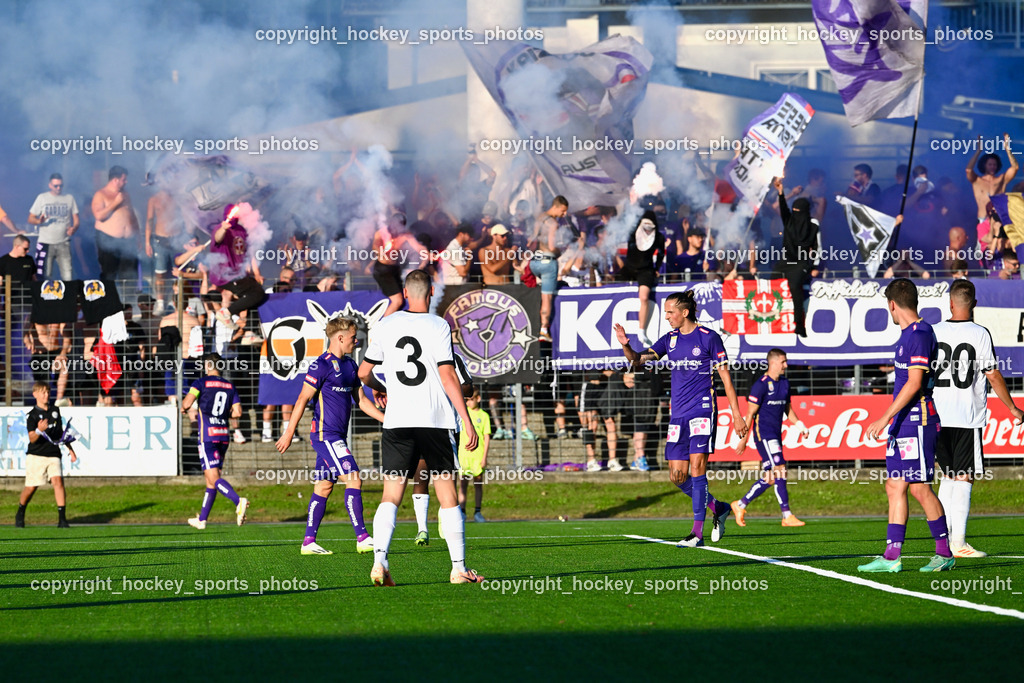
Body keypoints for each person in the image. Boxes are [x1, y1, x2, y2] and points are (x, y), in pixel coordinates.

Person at [357, 269, 483, 586]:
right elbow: (447, 375)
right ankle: (458, 568)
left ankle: (380, 562)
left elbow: (363, 373)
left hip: (397, 422)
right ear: (430, 294)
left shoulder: (386, 324)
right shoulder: (438, 325)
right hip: (435, 421)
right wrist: (467, 420)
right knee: (447, 495)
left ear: (405, 291)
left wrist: (379, 386)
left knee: (390, 495)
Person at [614, 290, 749, 547]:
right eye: (665, 312)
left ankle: (696, 534)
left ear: (684, 312)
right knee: (677, 476)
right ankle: (718, 507)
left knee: (698, 469)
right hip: (678, 414)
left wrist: (737, 414)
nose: (667, 317)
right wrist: (625, 345)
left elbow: (726, 378)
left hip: (702, 409)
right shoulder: (670, 339)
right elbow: (637, 362)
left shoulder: (709, 338)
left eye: (670, 312)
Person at [861, 278, 954, 573]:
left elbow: (915, 383)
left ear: (892, 304)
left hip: (918, 420)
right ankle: (892, 557)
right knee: (895, 486)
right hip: (903, 424)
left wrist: (884, 416)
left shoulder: (921, 333)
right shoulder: (908, 335)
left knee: (919, 488)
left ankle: (944, 553)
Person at [276, 315, 385, 555]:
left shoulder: (350, 366)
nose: (356, 342)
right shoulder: (321, 365)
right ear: (340, 337)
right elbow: (302, 399)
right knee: (354, 478)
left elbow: (363, 401)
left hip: (336, 436)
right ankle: (363, 537)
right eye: (353, 338)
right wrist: (288, 432)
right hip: (325, 435)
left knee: (324, 486)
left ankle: (308, 542)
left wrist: (388, 421)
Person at [932, 279, 1024, 557]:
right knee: (964, 477)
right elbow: (992, 374)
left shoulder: (933, 332)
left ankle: (944, 540)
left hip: (936, 414)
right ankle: (957, 543)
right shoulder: (980, 333)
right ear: (974, 304)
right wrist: (1013, 408)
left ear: (949, 303)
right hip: (965, 416)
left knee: (948, 476)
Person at [731, 349, 810, 527]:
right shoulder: (761, 384)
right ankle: (787, 515)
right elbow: (750, 413)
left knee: (772, 477)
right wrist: (744, 438)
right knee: (780, 470)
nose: (786, 365)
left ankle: (740, 504)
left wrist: (800, 426)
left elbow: (788, 409)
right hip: (764, 435)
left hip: (776, 434)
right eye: (783, 362)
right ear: (773, 363)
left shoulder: (784, 383)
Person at [179, 353, 249, 529]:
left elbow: (187, 403)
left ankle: (238, 500)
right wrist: (223, 414)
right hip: (223, 435)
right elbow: (238, 412)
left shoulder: (200, 383)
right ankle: (202, 519)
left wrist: (184, 407)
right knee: (211, 480)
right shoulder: (229, 386)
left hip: (207, 436)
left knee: (213, 477)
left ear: (207, 365)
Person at [15, 382, 78, 528]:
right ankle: (20, 511)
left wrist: (70, 449)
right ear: (35, 394)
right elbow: (31, 438)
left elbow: (60, 434)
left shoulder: (55, 411)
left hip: (53, 453)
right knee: (32, 487)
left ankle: (62, 519)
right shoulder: (32, 415)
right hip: (36, 455)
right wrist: (38, 430)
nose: (46, 395)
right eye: (43, 392)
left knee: (58, 482)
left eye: (48, 392)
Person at [774, 177, 820, 337]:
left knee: (796, 291)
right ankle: (770, 319)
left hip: (800, 264)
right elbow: (783, 207)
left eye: (798, 212)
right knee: (770, 283)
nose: (795, 214)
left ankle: (799, 326)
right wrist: (780, 192)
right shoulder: (789, 221)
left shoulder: (813, 227)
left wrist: (813, 267)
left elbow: (815, 248)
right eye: (794, 211)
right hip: (785, 261)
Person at [619, 210, 666, 347]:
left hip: (646, 269)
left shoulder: (658, 237)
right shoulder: (633, 232)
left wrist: (656, 268)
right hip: (630, 267)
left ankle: (642, 330)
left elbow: (661, 254)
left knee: (644, 297)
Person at [526, 196, 570, 342]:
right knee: (547, 297)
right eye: (563, 211)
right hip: (547, 263)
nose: (564, 214)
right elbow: (551, 247)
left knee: (540, 293)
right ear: (556, 206)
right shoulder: (553, 223)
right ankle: (544, 330)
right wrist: (562, 250)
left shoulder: (539, 218)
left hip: (534, 262)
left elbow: (531, 240)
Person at [92, 166, 140, 282]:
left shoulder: (125, 194)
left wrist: (138, 237)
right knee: (109, 274)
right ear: (115, 180)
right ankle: (109, 300)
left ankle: (128, 300)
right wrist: (116, 203)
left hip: (128, 242)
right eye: (124, 179)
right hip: (108, 240)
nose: (126, 182)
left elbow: (132, 216)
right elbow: (99, 216)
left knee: (129, 276)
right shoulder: (101, 194)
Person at [28, 173, 79, 280]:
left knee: (67, 275)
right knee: (45, 275)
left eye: (61, 185)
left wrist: (73, 228)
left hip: (64, 242)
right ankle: (46, 296)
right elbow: (30, 218)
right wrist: (39, 220)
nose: (58, 188)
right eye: (56, 186)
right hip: (45, 243)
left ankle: (67, 296)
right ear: (50, 185)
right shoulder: (42, 198)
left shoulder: (69, 198)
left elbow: (76, 219)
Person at [145, 181, 183, 314]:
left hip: (176, 240)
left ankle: (174, 300)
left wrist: (187, 238)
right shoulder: (154, 200)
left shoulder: (177, 199)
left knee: (175, 273)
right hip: (159, 240)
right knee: (160, 273)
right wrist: (147, 242)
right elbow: (149, 220)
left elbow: (185, 218)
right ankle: (160, 302)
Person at [966, 133, 1018, 222]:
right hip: (983, 219)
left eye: (994, 165)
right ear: (984, 165)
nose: (992, 167)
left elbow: (1015, 167)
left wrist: (1007, 148)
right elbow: (968, 170)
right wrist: (978, 151)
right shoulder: (977, 180)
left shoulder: (1001, 179)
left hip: (998, 219)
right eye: (990, 164)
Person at [458, 389, 491, 523]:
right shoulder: (462, 414)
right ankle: (462, 512)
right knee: (463, 484)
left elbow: (486, 436)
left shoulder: (484, 416)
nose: (469, 402)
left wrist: (484, 457)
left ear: (478, 399)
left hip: (478, 455)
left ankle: (477, 512)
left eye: (471, 399)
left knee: (478, 484)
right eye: (467, 400)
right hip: (464, 455)